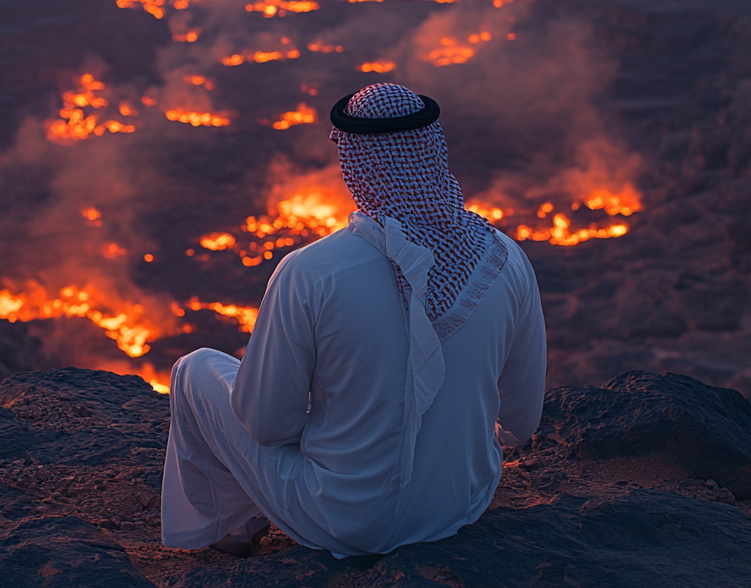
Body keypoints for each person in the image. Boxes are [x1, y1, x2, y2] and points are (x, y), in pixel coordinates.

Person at [160, 82, 546, 558]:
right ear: (434, 150)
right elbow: (521, 421)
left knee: (195, 369)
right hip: (459, 506)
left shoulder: (311, 272)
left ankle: (232, 529)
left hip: (342, 520)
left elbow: (266, 425)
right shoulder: (505, 259)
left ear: (353, 161)